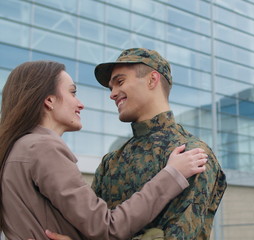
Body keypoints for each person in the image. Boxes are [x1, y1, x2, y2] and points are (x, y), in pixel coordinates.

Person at [0, 61, 208, 240]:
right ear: (49, 100)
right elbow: (107, 228)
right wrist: (172, 175)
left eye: (120, 82)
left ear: (153, 80)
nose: (80, 104)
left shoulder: (18, 149)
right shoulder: (43, 148)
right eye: (72, 92)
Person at [91, 48, 227, 239]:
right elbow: (90, 228)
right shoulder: (111, 161)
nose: (112, 94)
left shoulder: (191, 154)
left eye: (119, 82)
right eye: (110, 87)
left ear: (152, 80)